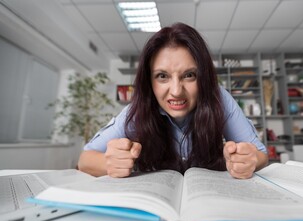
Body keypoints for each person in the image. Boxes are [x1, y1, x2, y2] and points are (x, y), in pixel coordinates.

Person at [78, 22, 268, 179]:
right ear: (149, 81)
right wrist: (109, 163)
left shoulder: (219, 98)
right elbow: (85, 160)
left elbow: (260, 154)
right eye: (162, 76)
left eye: (189, 75)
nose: (176, 91)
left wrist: (248, 160)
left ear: (203, 77)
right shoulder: (136, 111)